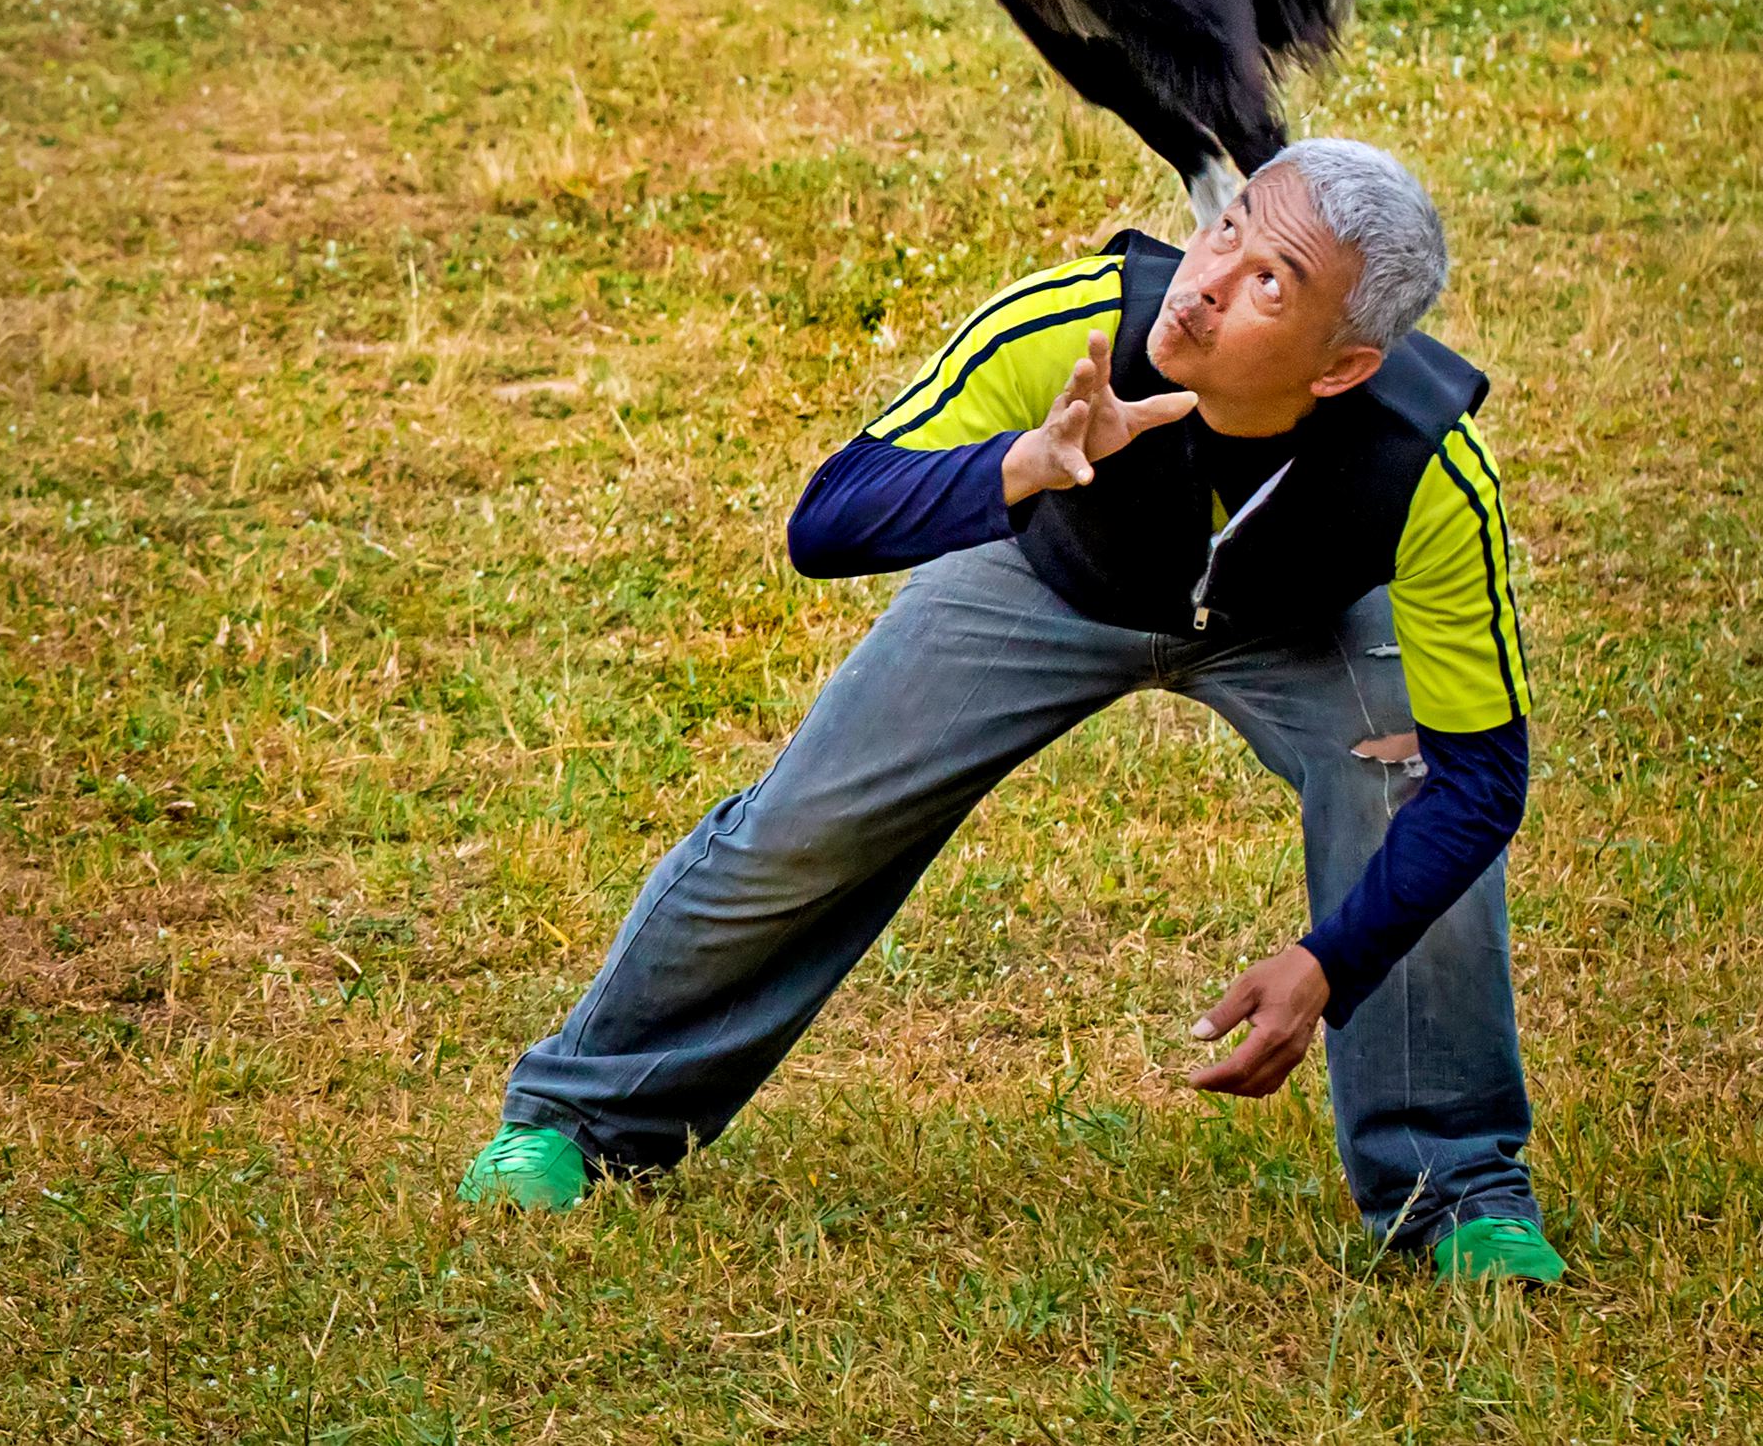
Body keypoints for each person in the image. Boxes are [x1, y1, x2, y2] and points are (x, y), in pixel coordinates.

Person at [460, 138, 1562, 1284]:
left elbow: (1481, 783)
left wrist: (1333, 958)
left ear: (1343, 366)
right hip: (1050, 573)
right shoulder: (1075, 322)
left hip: (1299, 620)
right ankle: (581, 1118)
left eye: (1271, 283)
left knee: (1406, 791)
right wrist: (1020, 467)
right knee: (808, 824)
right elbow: (825, 521)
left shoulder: (1427, 463)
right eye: (1227, 229)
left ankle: (1455, 1190)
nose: (1208, 282)